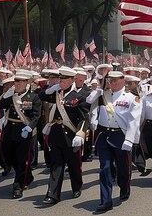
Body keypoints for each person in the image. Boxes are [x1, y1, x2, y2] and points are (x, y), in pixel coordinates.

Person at [86, 70, 141, 212]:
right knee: (105, 168)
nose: (113, 82)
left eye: (116, 80)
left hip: (121, 135)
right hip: (105, 135)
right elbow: (88, 101)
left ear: (124, 80)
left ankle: (124, 187)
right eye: (111, 80)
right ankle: (106, 200)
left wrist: (129, 139)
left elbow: (134, 121)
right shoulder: (102, 95)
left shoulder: (131, 98)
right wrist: (99, 89)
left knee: (123, 167)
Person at [38, 66, 90, 205]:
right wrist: (49, 90)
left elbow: (85, 118)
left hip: (71, 136)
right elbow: (40, 97)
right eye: (60, 78)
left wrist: (80, 134)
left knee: (74, 166)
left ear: (72, 80)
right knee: (56, 166)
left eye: (64, 79)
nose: (61, 81)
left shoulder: (78, 97)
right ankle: (52, 194)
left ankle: (76, 186)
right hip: (56, 135)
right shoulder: (55, 93)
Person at [0, 70, 42, 198]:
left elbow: (36, 116)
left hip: (24, 131)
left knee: (23, 160)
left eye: (21, 81)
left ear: (27, 82)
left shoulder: (33, 97)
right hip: (9, 130)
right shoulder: (11, 95)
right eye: (16, 81)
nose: (18, 83)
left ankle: (18, 186)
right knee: (9, 157)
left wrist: (29, 127)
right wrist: (7, 94)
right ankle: (27, 176)